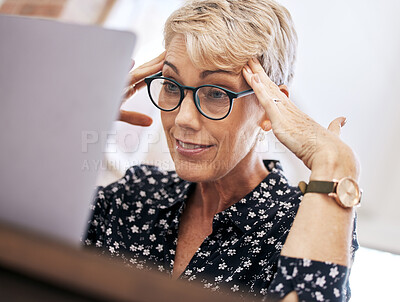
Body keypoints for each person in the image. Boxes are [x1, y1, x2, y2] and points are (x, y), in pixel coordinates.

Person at [84, 0, 361, 301]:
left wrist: (337, 162)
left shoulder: (302, 222)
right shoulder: (137, 195)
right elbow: (28, 242)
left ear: (270, 109)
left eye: (216, 93)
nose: (183, 118)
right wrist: (76, 118)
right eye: (172, 86)